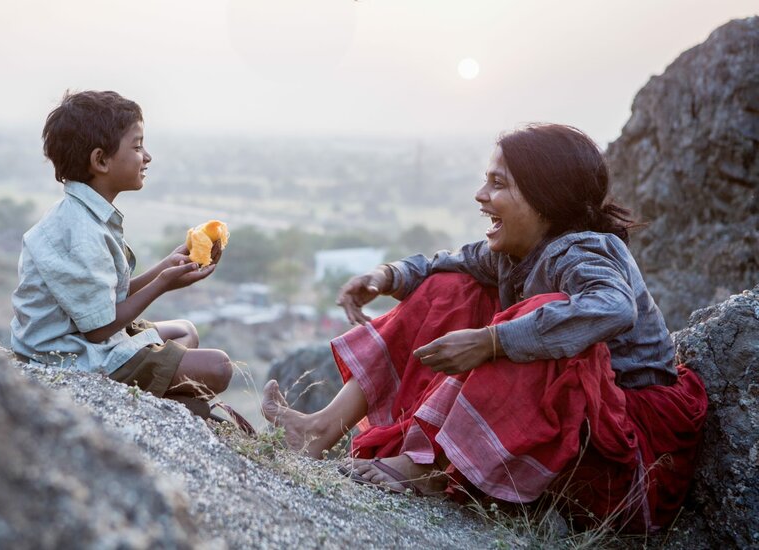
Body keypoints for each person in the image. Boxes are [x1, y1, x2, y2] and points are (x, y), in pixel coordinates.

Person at [261, 123, 708, 532]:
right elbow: (447, 261)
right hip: (581, 430)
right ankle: (321, 428)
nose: (480, 195)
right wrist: (384, 276)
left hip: (631, 449)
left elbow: (612, 308)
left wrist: (490, 341)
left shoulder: (583, 251)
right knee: (452, 287)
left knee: (542, 315)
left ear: (544, 197)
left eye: (499, 184)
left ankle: (435, 469)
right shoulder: (515, 252)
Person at [11, 90, 233, 419]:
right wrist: (161, 283)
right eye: (138, 145)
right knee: (219, 367)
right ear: (100, 161)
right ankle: (174, 405)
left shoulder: (87, 216)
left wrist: (166, 272)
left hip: (88, 340)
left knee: (186, 330)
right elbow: (98, 329)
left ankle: (175, 403)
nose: (147, 157)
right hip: (71, 357)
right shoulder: (80, 231)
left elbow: (104, 300)